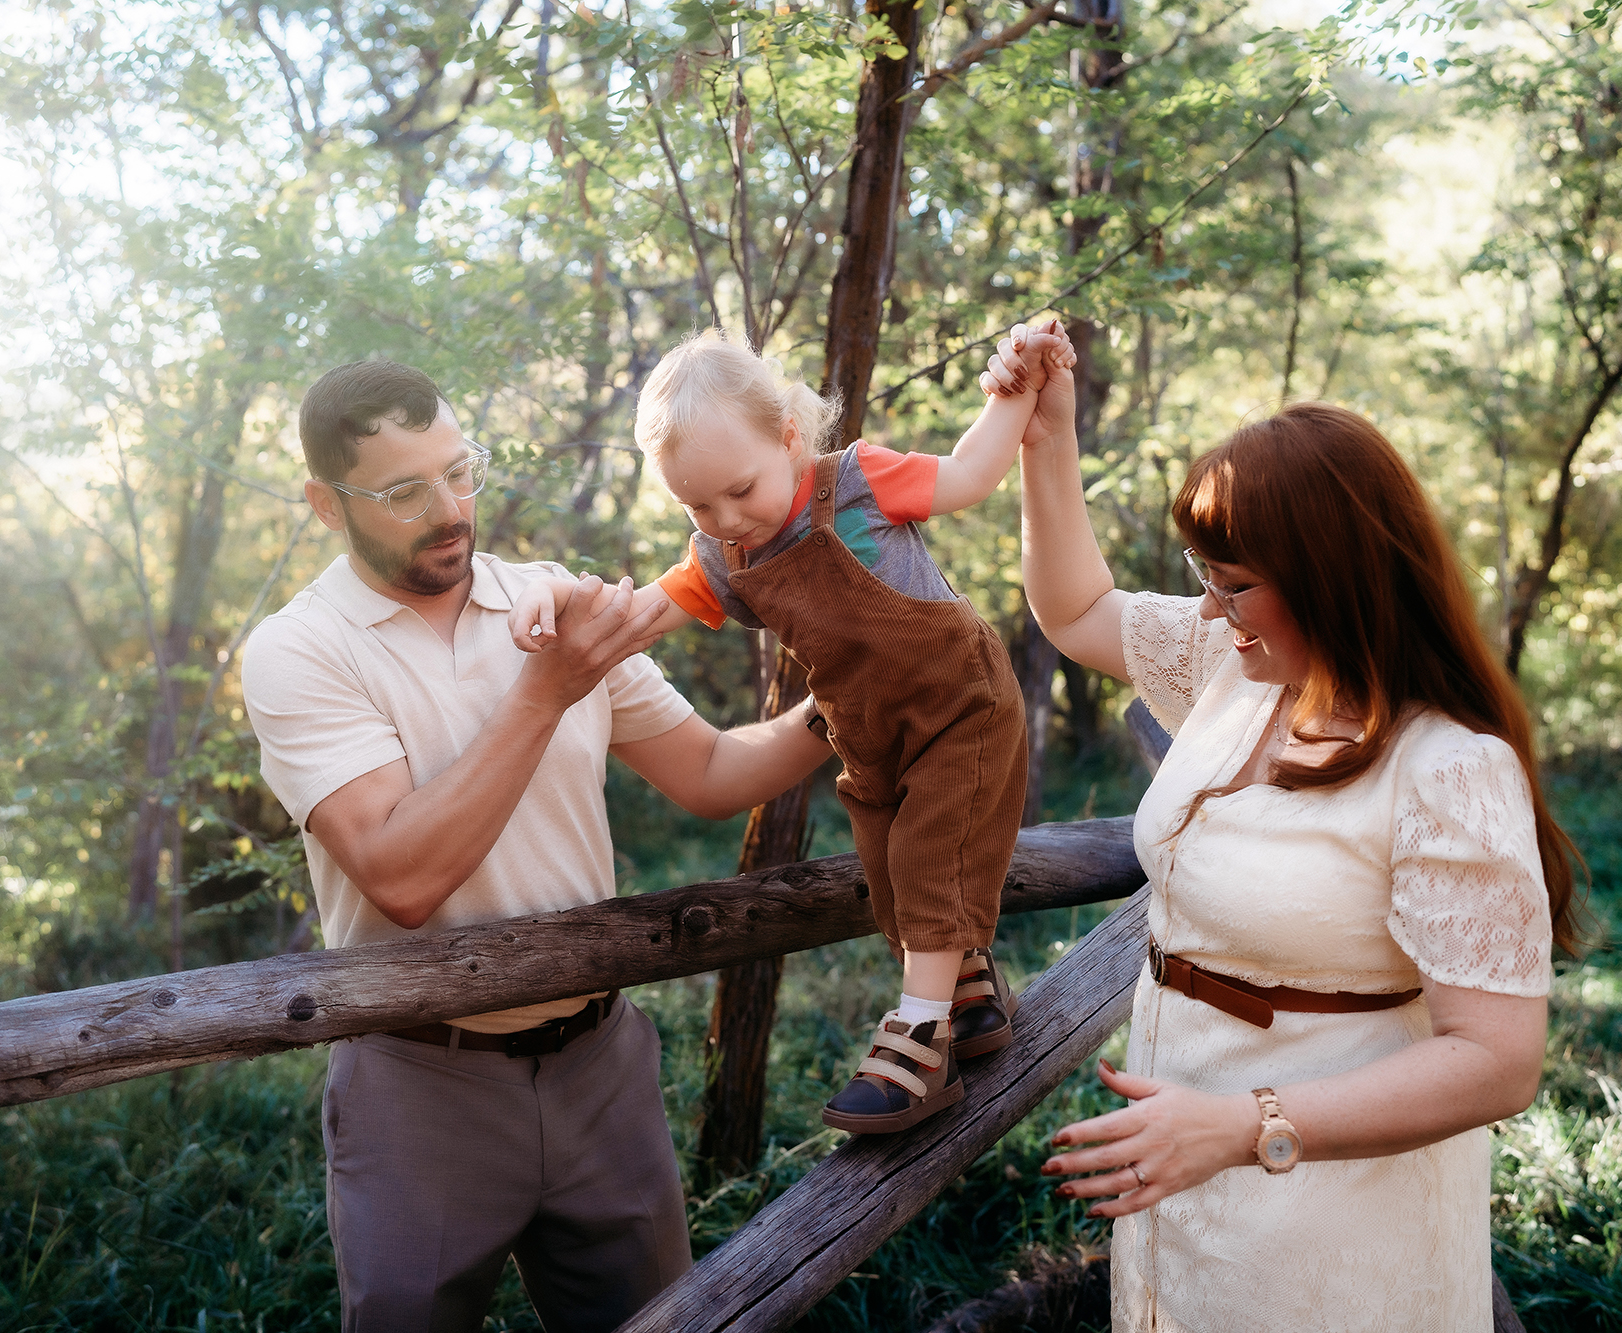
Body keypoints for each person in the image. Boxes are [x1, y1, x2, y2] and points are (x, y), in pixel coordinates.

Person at [985, 324, 1581, 1328]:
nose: (1210, 609)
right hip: (1180, 1159)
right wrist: (1047, 437)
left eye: (1233, 581)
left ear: (1331, 576)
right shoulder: (1235, 673)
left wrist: (1241, 1125)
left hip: (1332, 1208)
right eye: (1201, 574)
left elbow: (1496, 1058)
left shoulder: (1447, 769)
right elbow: (1076, 606)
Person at [240, 357, 833, 1333]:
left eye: (459, 471)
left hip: (602, 1067)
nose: (448, 508)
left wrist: (844, 708)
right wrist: (546, 689)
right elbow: (401, 873)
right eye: (402, 490)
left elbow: (710, 773)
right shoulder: (300, 649)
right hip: (416, 1084)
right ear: (322, 502)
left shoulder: (555, 600)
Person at [507, 328, 1074, 1134]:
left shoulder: (861, 484)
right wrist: (552, 593)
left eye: (739, 490)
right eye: (697, 505)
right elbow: (637, 615)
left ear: (789, 437)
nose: (725, 518)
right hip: (864, 730)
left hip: (959, 703)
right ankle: (968, 991)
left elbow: (974, 471)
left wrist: (1015, 386)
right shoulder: (724, 555)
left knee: (932, 850)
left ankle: (919, 1038)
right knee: (888, 869)